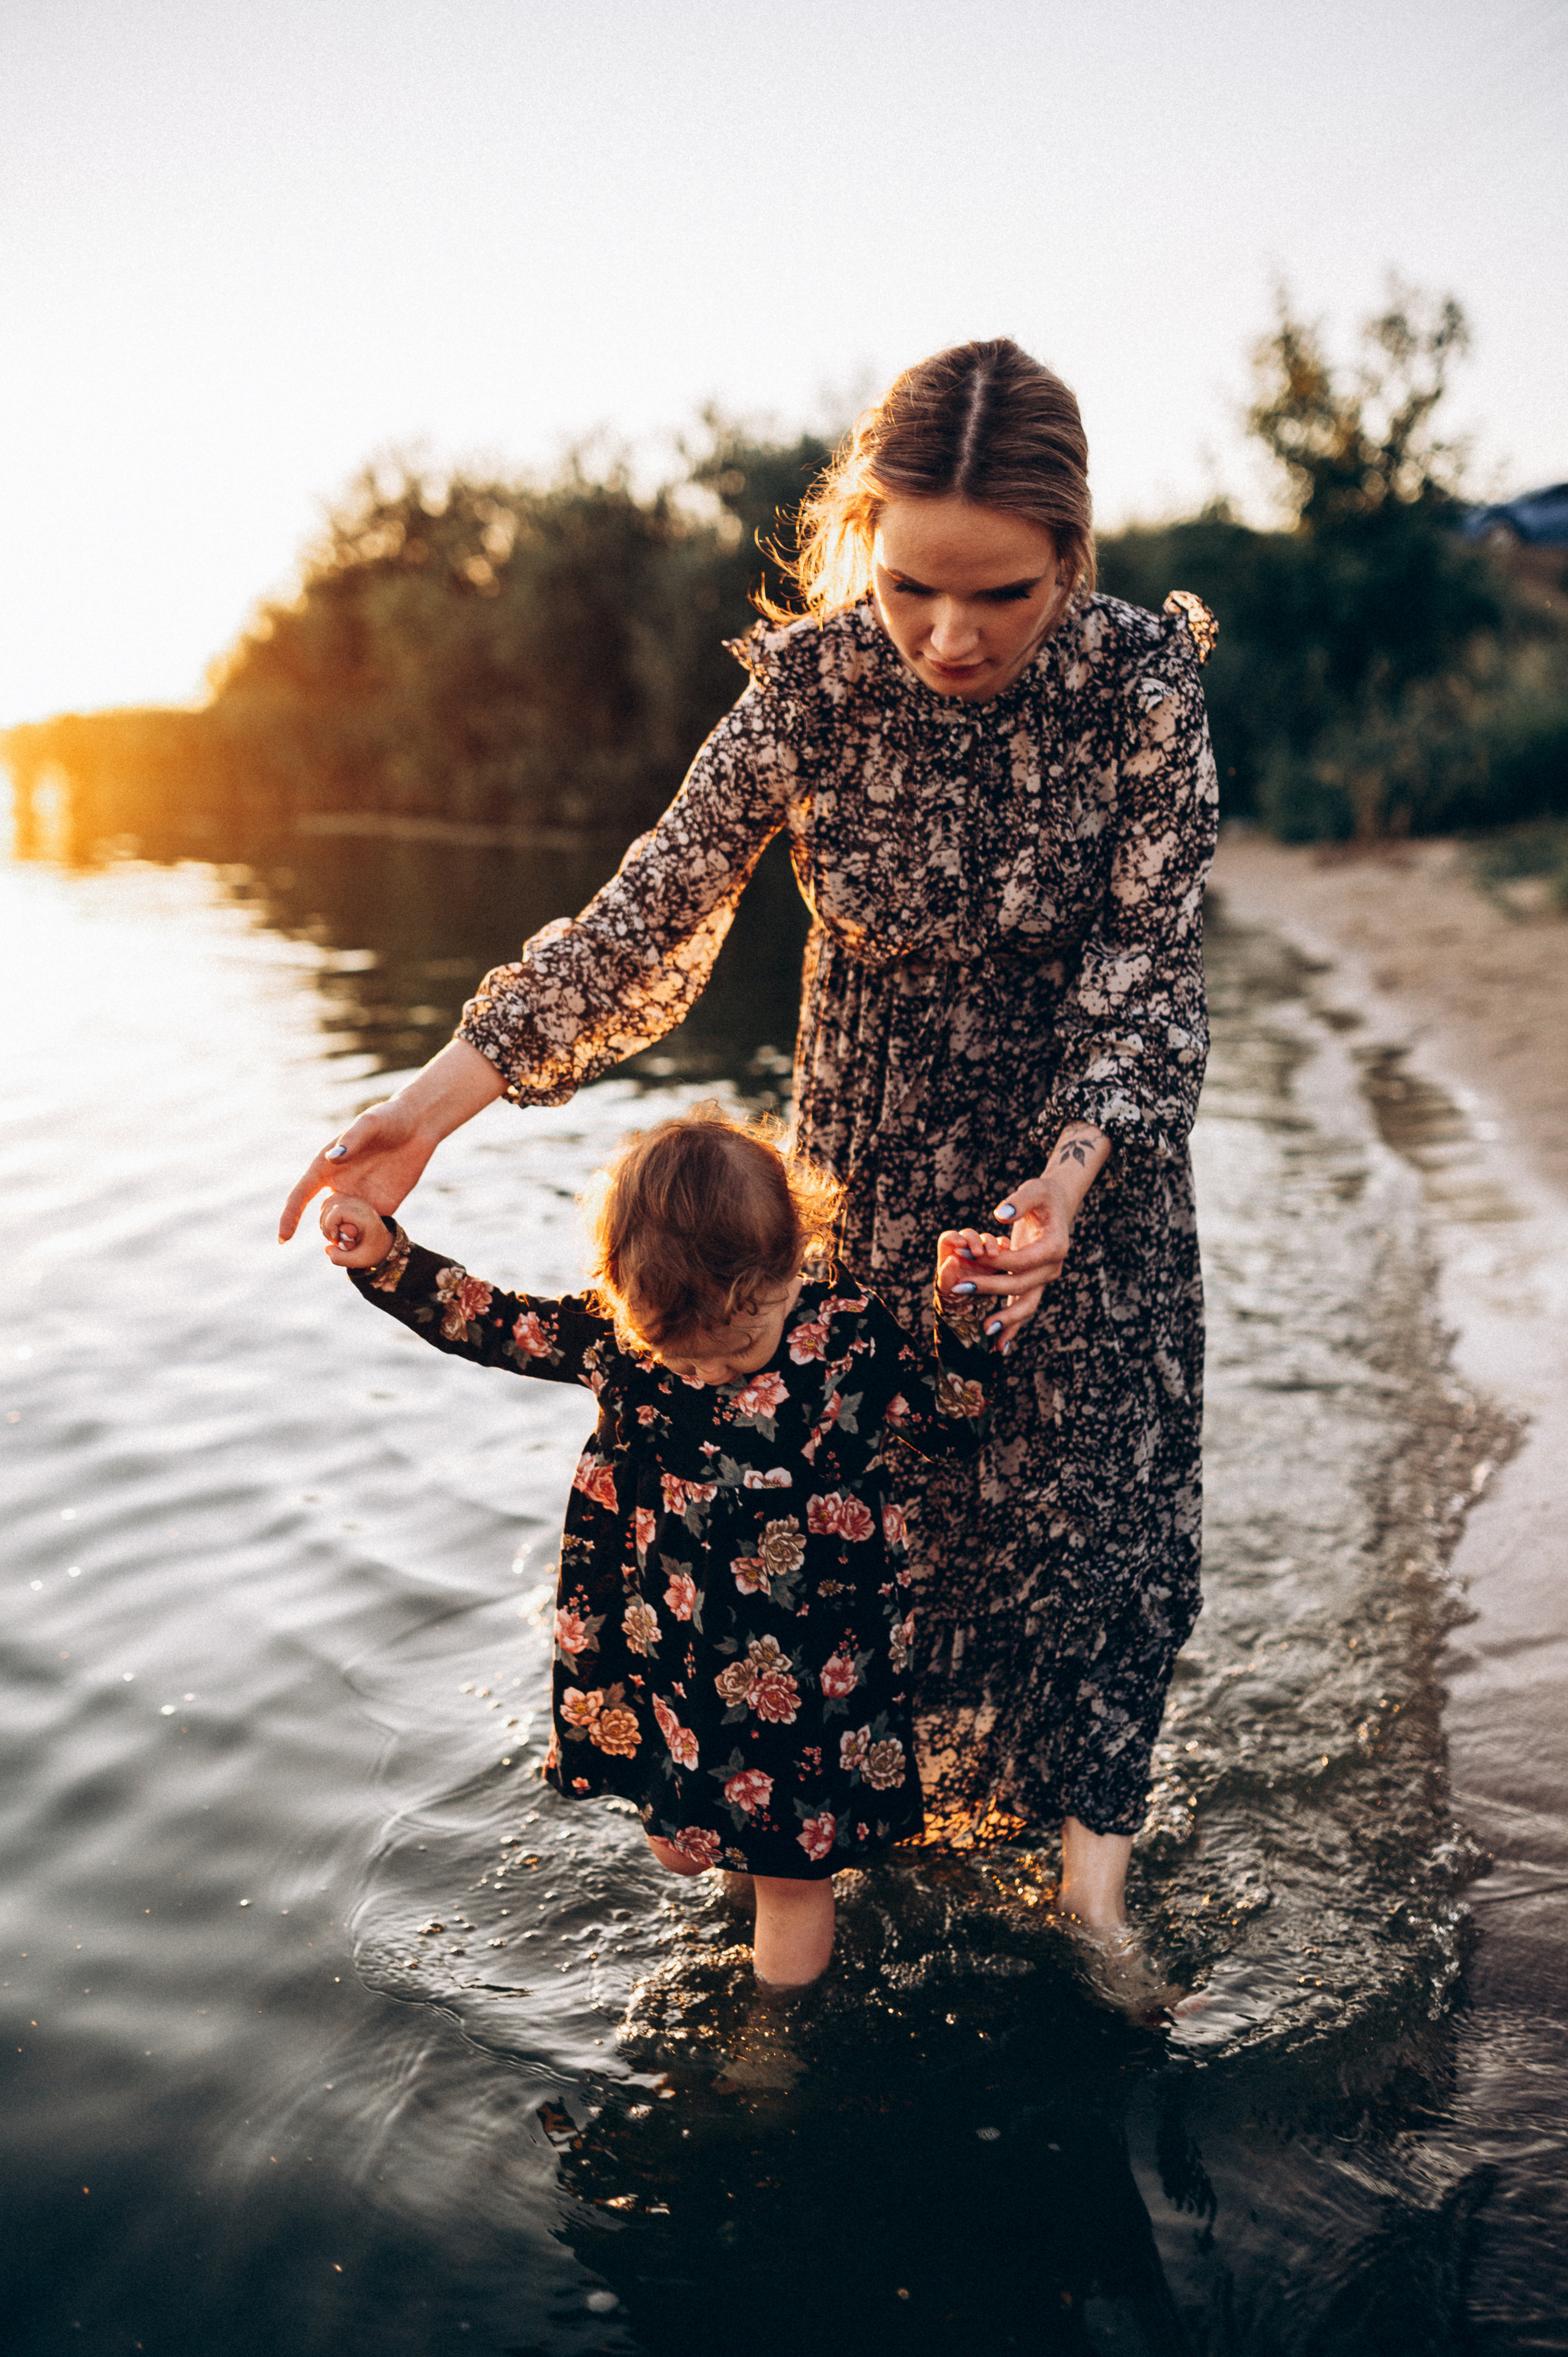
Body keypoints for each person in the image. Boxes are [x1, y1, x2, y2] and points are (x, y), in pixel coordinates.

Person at [281, 336, 1218, 1946]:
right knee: (883, 1540)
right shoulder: (813, 695)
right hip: (860, 1178)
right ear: (865, 536)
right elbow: (649, 921)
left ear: (1071, 553)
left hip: (1090, 1177)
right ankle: (862, 1849)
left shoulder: (1142, 689)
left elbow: (1146, 969)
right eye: (917, 582)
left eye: (1001, 592)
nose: (949, 632)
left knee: (1096, 1532)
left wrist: (1065, 1192)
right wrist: (429, 1106)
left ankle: (1095, 1906)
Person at [319, 1105, 999, 1989]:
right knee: (681, 1849)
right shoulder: (619, 1334)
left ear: (793, 1265)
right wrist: (386, 1258)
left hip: (814, 1661)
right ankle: (744, 1851)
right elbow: (491, 1322)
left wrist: (962, 1313)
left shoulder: (845, 1332)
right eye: (679, 1357)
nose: (708, 1373)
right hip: (675, 1651)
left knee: (794, 1883)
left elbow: (944, 1421)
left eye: (735, 1349)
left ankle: (771, 2049)